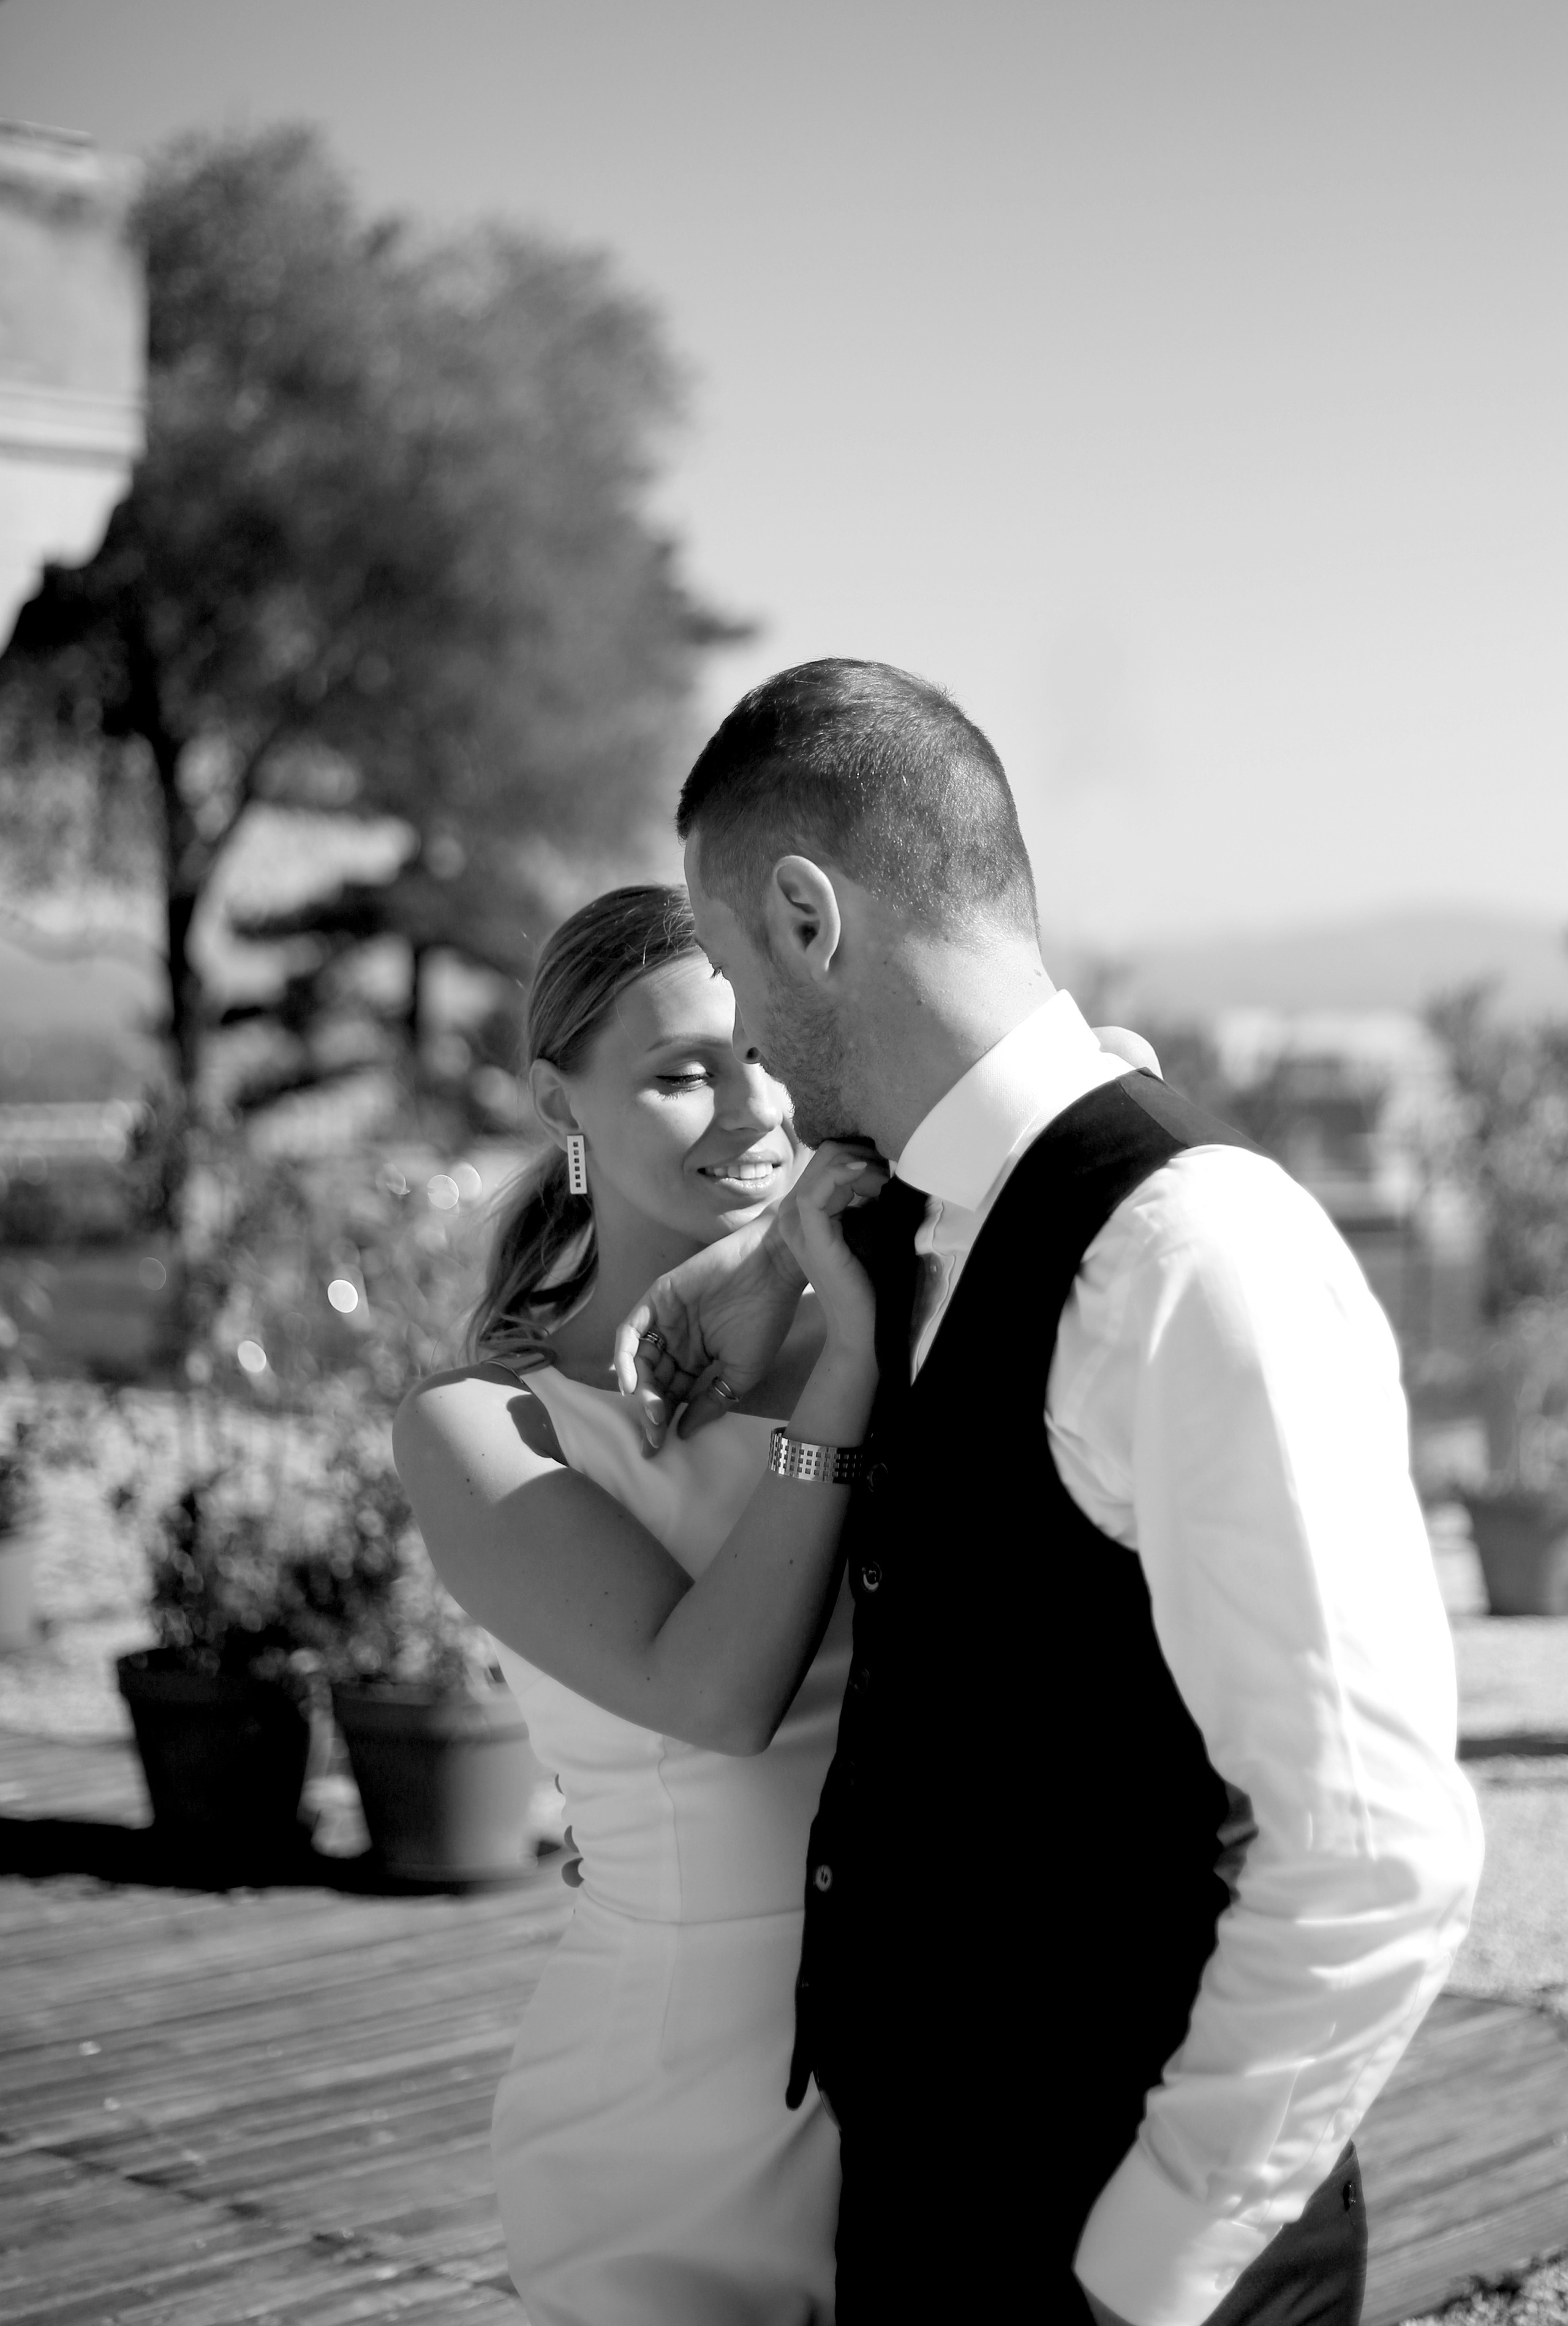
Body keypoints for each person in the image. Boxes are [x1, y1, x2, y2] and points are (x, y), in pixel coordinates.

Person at [613, 659, 1486, 2326]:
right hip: (934, 2216)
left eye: (734, 975)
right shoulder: (931, 1224)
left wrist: (1150, 2265)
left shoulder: (1192, 1258)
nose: (752, 1056)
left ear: (808, 919)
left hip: (1122, 2256)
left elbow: (1378, 1852)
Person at [393, 885, 882, 2326]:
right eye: (680, 1075)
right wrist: (839, 1370)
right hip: (680, 2111)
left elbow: (1092, 1079)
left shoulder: (885, 1291)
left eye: (766, 1055)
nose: (750, 1112)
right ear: (561, 1103)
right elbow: (711, 1696)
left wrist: (785, 1262)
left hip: (940, 2068)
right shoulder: (482, 1426)